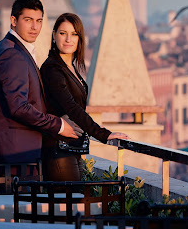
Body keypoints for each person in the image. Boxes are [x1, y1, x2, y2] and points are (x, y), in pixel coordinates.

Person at [0, 0, 81, 164]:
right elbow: (19, 107)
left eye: (39, 21)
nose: (35, 27)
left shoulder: (9, 47)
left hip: (14, 151)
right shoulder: (12, 54)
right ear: (14, 20)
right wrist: (59, 125)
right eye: (28, 20)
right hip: (14, 154)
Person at [40, 12, 130, 181]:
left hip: (71, 147)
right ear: (54, 36)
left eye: (74, 34)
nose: (68, 39)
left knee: (74, 204)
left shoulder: (70, 68)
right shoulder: (52, 69)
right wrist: (103, 134)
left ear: (80, 39)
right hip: (58, 149)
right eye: (62, 33)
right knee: (67, 205)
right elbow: (71, 107)